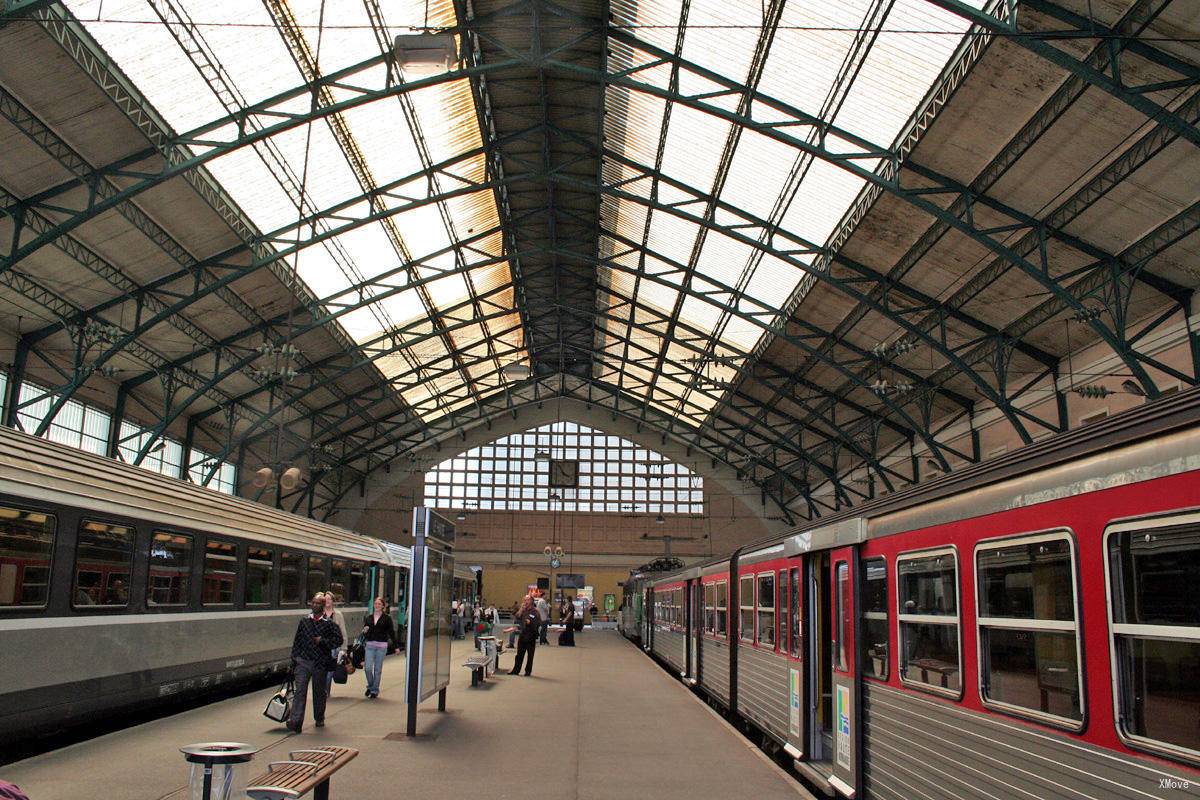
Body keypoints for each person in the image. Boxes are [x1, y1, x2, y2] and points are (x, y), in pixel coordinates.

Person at [289, 594, 343, 732]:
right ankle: (296, 721)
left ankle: (319, 717)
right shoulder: (304, 622)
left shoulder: (329, 624)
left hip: (320, 663)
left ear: (323, 606)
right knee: (300, 691)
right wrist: (294, 657)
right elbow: (297, 640)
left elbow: (338, 641)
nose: (314, 605)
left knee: (319, 692)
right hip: (303, 661)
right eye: (312, 603)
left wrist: (323, 641)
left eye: (317, 603)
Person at [361, 596, 395, 698]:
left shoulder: (387, 618)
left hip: (381, 646)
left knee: (377, 669)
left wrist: (396, 646)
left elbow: (391, 632)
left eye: (379, 604)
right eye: (375, 604)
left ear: (383, 606)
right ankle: (371, 686)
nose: (377, 605)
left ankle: (374, 691)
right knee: (367, 668)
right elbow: (366, 635)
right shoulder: (369, 618)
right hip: (370, 645)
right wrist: (365, 631)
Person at [322, 592, 348, 695]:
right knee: (321, 671)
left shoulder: (338, 614)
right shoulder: (319, 613)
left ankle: (325, 692)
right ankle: (323, 691)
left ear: (333, 601)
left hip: (333, 647)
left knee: (329, 671)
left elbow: (343, 631)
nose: (327, 601)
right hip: (321, 646)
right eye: (325, 599)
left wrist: (344, 648)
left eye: (329, 599)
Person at [508, 596, 541, 676]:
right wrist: (521, 610)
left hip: (531, 636)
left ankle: (528, 671)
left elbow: (538, 623)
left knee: (530, 655)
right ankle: (516, 670)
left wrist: (530, 623)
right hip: (523, 635)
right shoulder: (523, 610)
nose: (525, 601)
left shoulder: (535, 611)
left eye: (527, 600)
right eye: (524, 600)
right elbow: (516, 618)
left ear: (532, 601)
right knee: (519, 654)